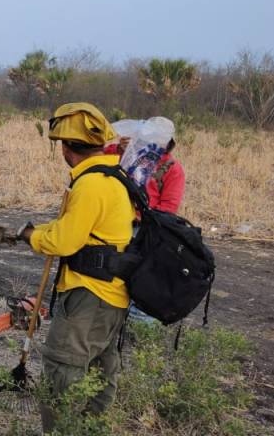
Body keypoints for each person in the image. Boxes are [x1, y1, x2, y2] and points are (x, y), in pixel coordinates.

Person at [17, 102, 134, 433]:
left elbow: (64, 242)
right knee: (99, 372)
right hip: (112, 295)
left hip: (89, 297)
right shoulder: (115, 176)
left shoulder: (91, 184)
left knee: (62, 373)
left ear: (66, 147)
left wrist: (31, 235)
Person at [105, 116, 186, 214]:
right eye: (151, 136)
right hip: (113, 213)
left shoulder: (172, 168)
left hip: (143, 223)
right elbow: (99, 159)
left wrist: (145, 219)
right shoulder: (128, 152)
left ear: (168, 143)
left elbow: (169, 207)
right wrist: (119, 149)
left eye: (159, 138)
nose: (153, 141)